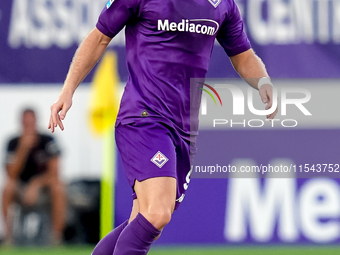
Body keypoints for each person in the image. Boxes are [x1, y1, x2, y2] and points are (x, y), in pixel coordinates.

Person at [49, 0, 278, 254]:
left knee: (144, 220)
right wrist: (68, 89)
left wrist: (264, 82)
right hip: (144, 118)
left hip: (183, 128)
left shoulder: (223, 4)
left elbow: (243, 54)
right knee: (157, 213)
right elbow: (99, 37)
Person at [2, 108, 66, 245]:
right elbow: (11, 174)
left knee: (58, 187)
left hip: (43, 189)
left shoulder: (47, 141)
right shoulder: (13, 143)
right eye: (26, 123)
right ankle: (9, 237)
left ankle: (56, 237)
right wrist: (22, 149)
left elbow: (55, 173)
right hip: (20, 189)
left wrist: (36, 184)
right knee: (7, 188)